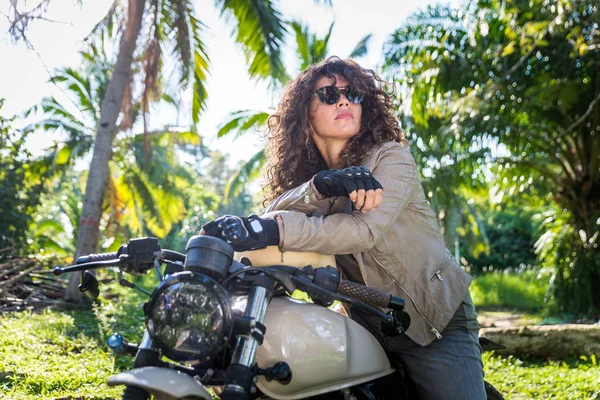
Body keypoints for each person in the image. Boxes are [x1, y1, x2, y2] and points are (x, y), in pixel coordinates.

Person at [202, 56, 485, 399]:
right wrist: (319, 185)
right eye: (328, 95)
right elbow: (273, 213)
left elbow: (361, 232)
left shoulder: (391, 158)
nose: (344, 101)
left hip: (431, 320)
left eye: (353, 94)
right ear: (305, 115)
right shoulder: (309, 181)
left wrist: (273, 230)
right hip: (365, 322)